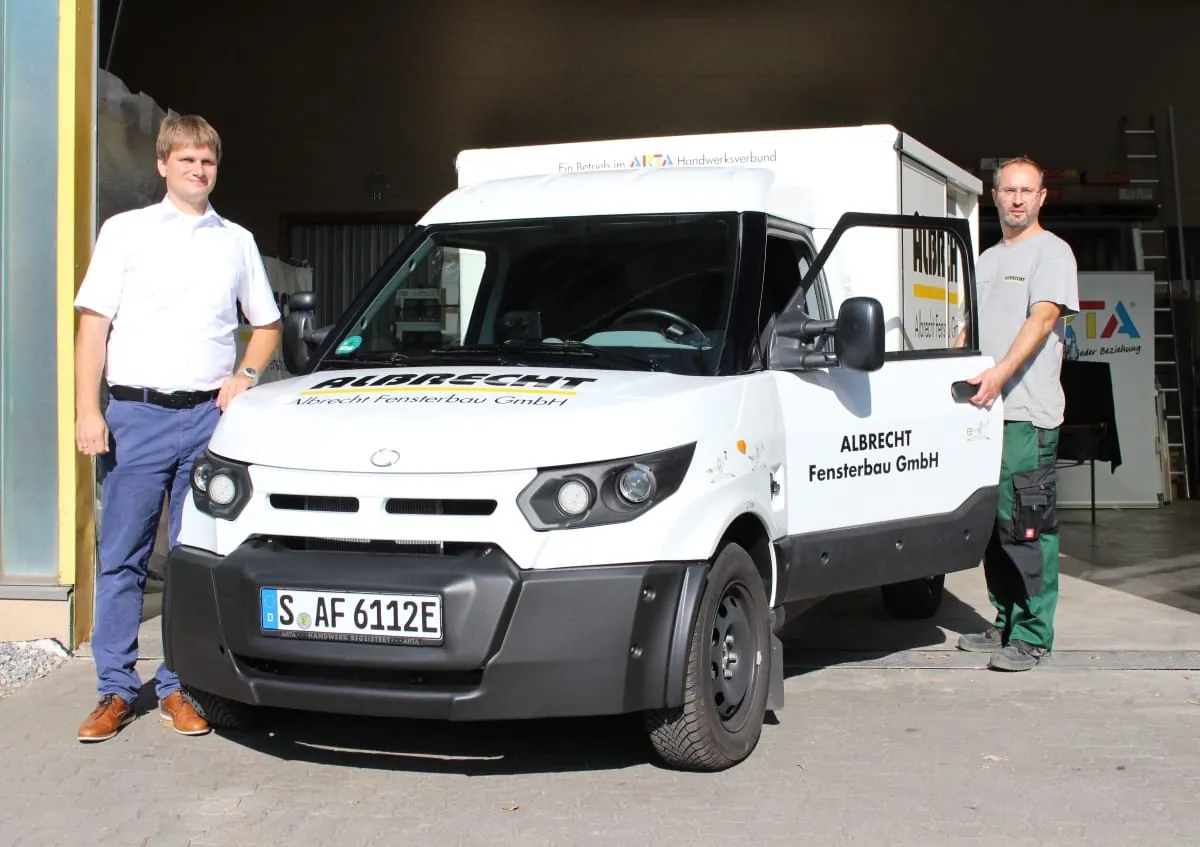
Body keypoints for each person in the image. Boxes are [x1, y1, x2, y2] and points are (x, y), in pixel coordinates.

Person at [74, 115, 282, 741]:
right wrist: (89, 410)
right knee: (122, 559)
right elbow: (93, 327)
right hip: (135, 418)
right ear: (163, 164)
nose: (198, 170)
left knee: (193, 563)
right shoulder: (126, 233)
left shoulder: (236, 241)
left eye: (208, 162)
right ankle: (114, 689)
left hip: (205, 422)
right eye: (187, 160)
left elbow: (266, 326)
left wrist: (245, 373)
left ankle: (178, 685)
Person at [952, 156, 1080, 672]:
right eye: (1010, 190)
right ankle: (1005, 620)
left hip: (1027, 414)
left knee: (1028, 526)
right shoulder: (983, 260)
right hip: (985, 415)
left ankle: (1033, 634)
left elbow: (1043, 317)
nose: (1019, 199)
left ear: (1041, 198)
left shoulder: (1053, 253)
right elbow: (969, 329)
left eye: (1028, 191)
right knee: (992, 524)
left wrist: (1001, 374)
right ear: (995, 195)